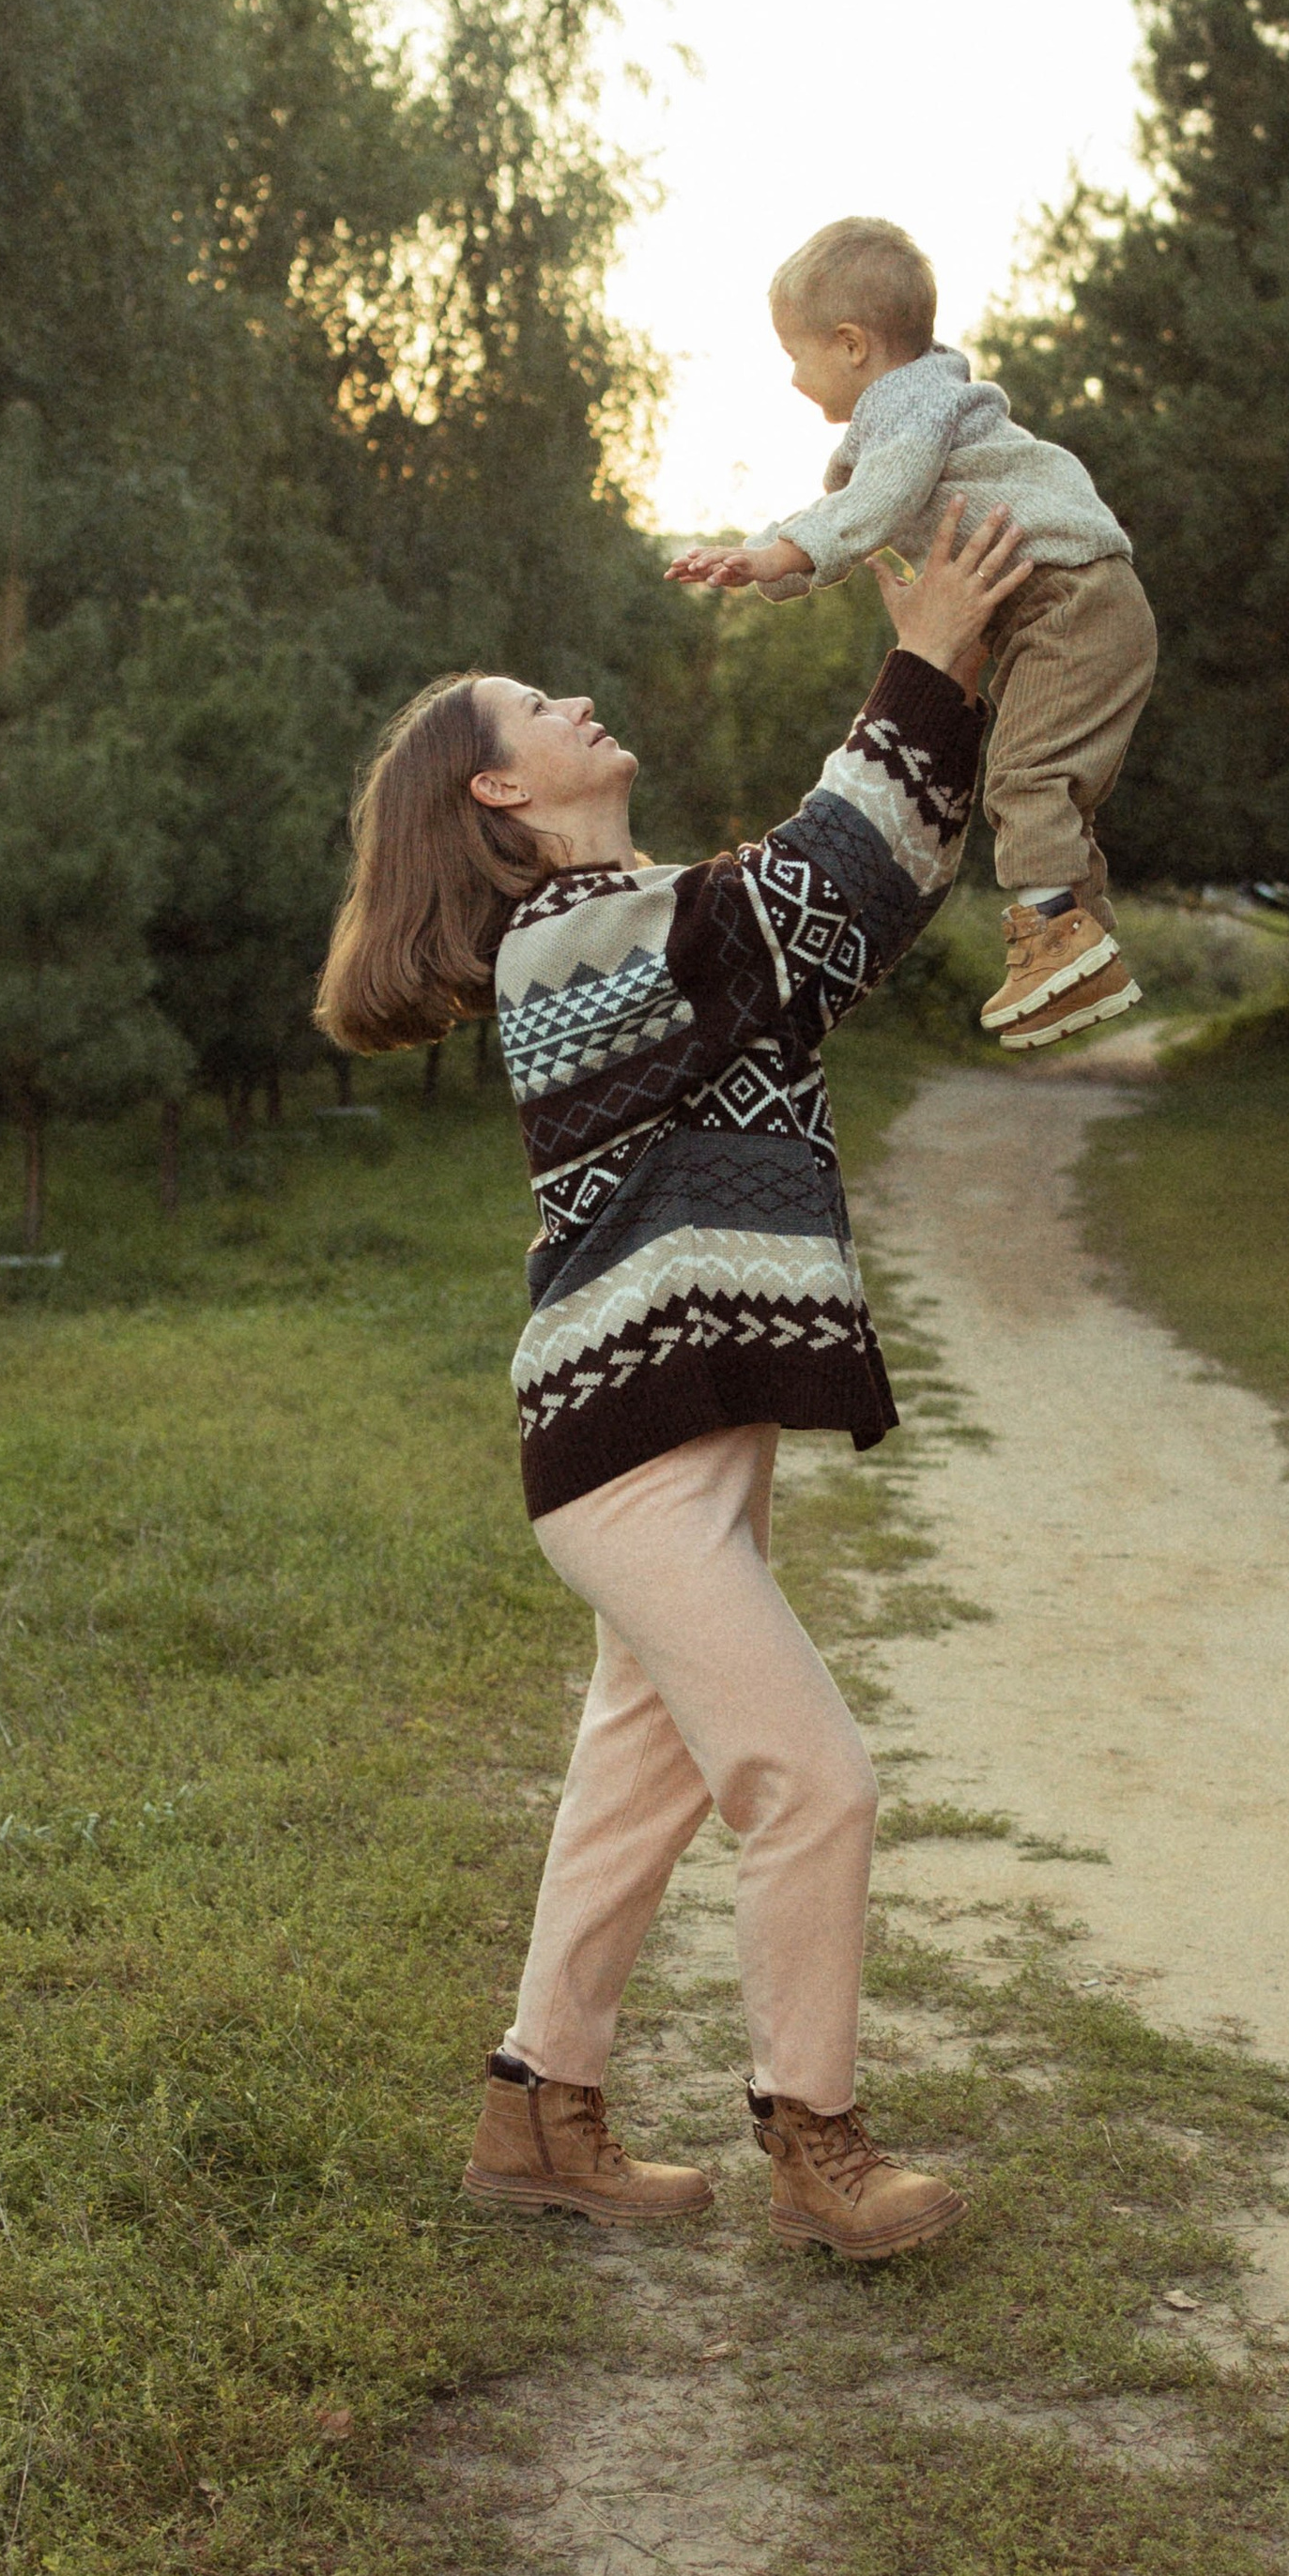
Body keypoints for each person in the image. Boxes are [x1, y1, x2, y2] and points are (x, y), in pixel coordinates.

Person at [315, 500, 1029, 2257]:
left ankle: (534, 2112)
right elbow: (808, 897)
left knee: (631, 1794)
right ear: (500, 795)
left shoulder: (640, 916)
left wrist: (962, 671)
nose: (576, 703)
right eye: (538, 707)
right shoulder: (573, 947)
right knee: (816, 1780)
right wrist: (920, 664)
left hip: (661, 1445)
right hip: (631, 1462)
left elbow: (863, 902)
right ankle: (817, 2143)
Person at [668, 214, 1158, 1051]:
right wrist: (771, 561)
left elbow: (877, 500)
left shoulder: (911, 417)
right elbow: (855, 510)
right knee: (1050, 787)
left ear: (852, 344)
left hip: (1072, 604)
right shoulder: (926, 402)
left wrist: (775, 554)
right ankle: (1086, 947)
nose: (791, 377)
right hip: (1076, 607)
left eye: (796, 353)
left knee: (1025, 779)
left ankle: (1053, 939)